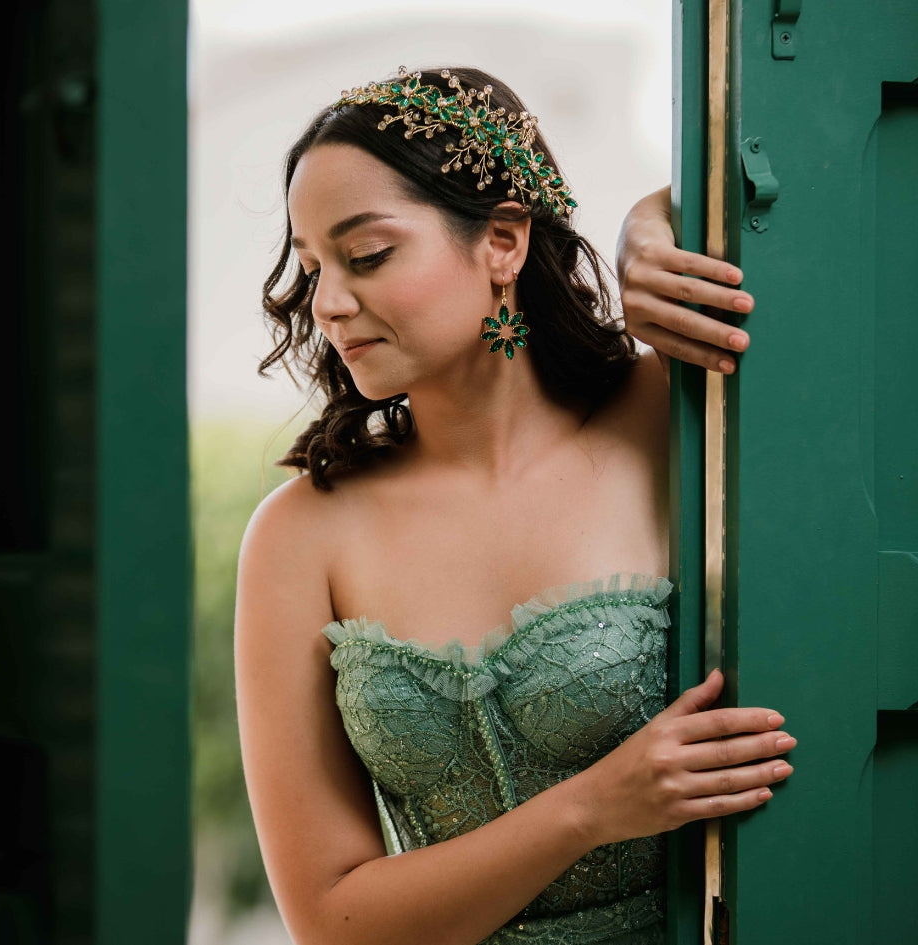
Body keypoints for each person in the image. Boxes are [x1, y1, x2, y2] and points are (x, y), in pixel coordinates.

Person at [235, 66, 793, 945]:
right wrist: (594, 807)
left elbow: (789, 171)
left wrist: (642, 233)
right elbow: (332, 921)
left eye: (367, 255)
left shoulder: (672, 418)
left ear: (502, 240)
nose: (329, 304)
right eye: (311, 269)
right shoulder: (300, 534)